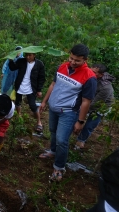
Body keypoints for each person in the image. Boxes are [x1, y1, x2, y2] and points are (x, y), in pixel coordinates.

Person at [39, 44, 97, 182]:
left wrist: (80, 121)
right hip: (54, 108)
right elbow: (53, 84)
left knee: (62, 140)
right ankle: (53, 151)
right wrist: (44, 102)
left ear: (85, 60)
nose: (72, 62)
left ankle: (58, 167)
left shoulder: (89, 77)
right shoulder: (62, 67)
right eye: (71, 58)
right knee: (52, 131)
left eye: (77, 60)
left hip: (68, 112)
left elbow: (86, 101)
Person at [76, 64, 115, 149]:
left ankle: (81, 140)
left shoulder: (106, 87)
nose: (90, 73)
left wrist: (82, 110)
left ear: (100, 75)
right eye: (91, 70)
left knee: (90, 124)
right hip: (91, 100)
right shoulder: (91, 77)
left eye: (94, 72)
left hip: (102, 107)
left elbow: (95, 103)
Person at [8, 52, 45, 132]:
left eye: (30, 55)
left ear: (34, 55)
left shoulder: (39, 64)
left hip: (31, 87)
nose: (28, 57)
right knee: (17, 102)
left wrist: (39, 90)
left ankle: (39, 122)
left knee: (32, 105)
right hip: (20, 85)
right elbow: (12, 68)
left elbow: (41, 77)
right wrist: (11, 59)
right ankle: (19, 115)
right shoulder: (21, 61)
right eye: (26, 55)